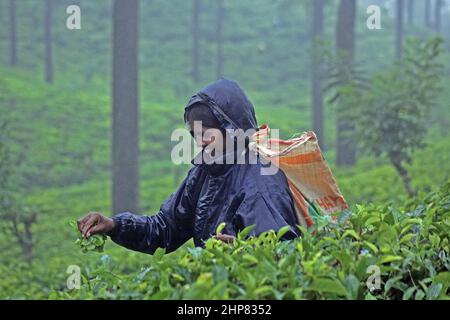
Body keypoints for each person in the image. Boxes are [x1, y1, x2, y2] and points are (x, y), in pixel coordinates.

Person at [77, 78, 299, 254]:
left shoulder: (261, 182)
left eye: (208, 133)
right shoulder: (205, 172)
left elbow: (285, 252)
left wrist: (243, 251)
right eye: (196, 134)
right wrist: (114, 225)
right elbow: (165, 229)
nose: (201, 141)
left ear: (232, 130)